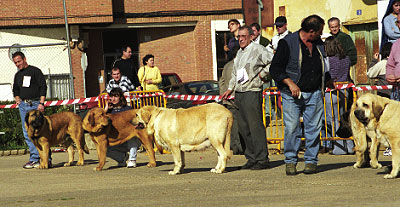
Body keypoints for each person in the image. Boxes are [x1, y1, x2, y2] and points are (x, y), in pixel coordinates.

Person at [270, 15, 333, 175]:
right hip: (291, 95)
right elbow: (275, 69)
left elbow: (323, 65)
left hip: (315, 93)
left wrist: (327, 80)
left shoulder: (319, 43)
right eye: (320, 30)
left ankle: (311, 161)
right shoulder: (287, 43)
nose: (322, 33)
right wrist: (290, 83)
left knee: (314, 128)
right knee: (292, 128)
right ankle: (290, 161)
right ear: (311, 31)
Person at [221, 25, 273, 170]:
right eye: (239, 37)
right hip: (239, 93)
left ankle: (262, 159)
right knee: (243, 128)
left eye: (244, 36)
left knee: (255, 126)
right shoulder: (239, 53)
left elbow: (272, 62)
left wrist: (263, 75)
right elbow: (235, 74)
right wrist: (230, 89)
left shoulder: (258, 49)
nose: (241, 39)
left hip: (252, 91)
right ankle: (251, 157)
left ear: (251, 37)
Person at [12, 51, 52, 169]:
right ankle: (34, 159)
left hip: (35, 104)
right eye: (15, 63)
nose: (17, 64)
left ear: (24, 59)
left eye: (19, 61)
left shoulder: (35, 71)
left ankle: (47, 159)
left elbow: (43, 87)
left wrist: (41, 103)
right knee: (27, 132)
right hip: (24, 106)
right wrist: (18, 99)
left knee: (42, 132)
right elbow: (15, 89)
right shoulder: (17, 75)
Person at [322, 36, 354, 155]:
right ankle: (349, 146)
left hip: (331, 92)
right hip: (345, 91)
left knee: (333, 120)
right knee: (344, 120)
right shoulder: (346, 59)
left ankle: (338, 147)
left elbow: (331, 75)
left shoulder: (329, 60)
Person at [104, 88, 141, 168]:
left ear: (121, 97)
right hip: (117, 140)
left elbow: (136, 124)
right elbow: (100, 122)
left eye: (116, 96)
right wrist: (106, 109)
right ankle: (123, 158)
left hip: (129, 140)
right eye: (111, 96)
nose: (113, 99)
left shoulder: (128, 109)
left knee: (133, 136)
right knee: (105, 149)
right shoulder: (109, 112)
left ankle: (132, 160)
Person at [219, 48, 245, 155]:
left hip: (227, 100)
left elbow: (221, 81)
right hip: (236, 98)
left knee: (230, 126)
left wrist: (223, 94)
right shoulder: (239, 65)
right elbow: (241, 82)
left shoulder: (226, 66)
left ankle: (233, 146)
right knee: (238, 126)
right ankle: (239, 148)